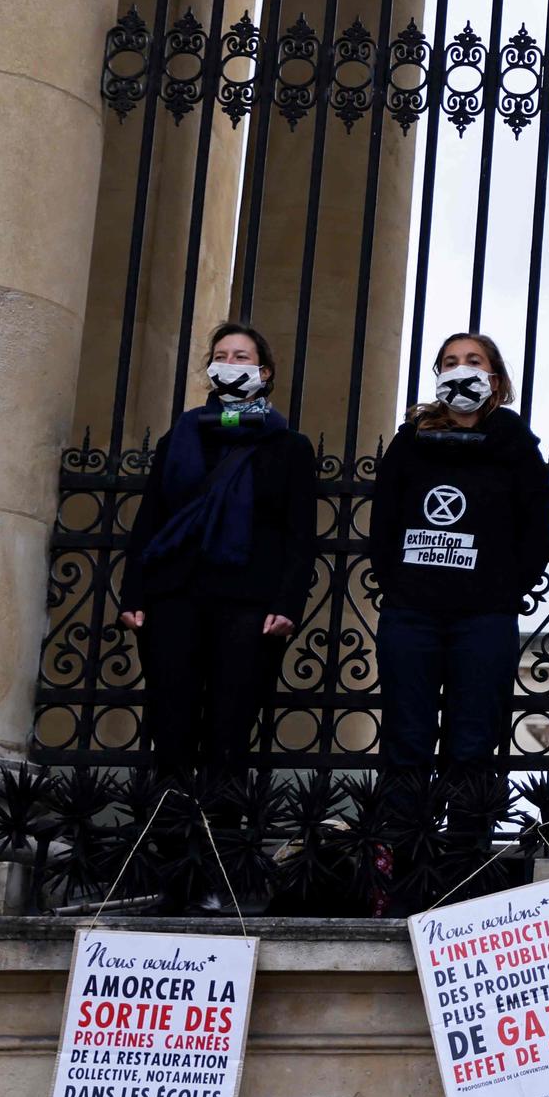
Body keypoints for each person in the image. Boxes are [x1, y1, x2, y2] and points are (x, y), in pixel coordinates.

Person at [365, 332, 549, 862]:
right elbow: (384, 521)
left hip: (483, 617)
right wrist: (395, 582)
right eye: (450, 363)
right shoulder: (411, 441)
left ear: (495, 377)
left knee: (472, 744)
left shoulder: (515, 443)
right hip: (412, 613)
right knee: (407, 740)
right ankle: (403, 859)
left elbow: (535, 528)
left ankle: (462, 861)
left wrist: (504, 589)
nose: (461, 370)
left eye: (473, 361)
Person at [118, 322, 318, 789]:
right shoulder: (180, 438)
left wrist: (288, 604)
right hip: (175, 595)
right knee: (171, 723)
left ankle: (222, 846)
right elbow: (149, 521)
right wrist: (133, 593)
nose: (229, 364)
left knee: (230, 729)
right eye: (222, 356)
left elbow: (299, 535)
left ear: (264, 372)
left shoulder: (289, 447)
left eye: (241, 357)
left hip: (249, 603)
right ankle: (167, 841)